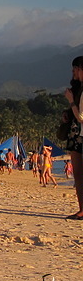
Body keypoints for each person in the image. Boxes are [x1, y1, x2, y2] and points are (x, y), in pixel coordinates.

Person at [65, 56, 83, 219]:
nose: (73, 73)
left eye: (74, 69)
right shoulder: (79, 88)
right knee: (77, 173)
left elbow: (82, 117)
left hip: (80, 135)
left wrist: (71, 101)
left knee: (79, 173)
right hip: (76, 134)